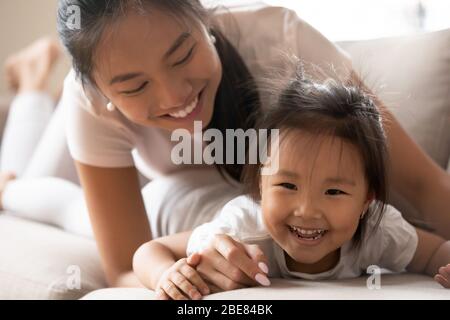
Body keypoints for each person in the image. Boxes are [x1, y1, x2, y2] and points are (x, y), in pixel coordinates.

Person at [133, 69, 450, 300]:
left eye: (334, 191)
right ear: (260, 184)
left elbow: (434, 250)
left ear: (367, 200)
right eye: (287, 185)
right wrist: (165, 274)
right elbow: (151, 250)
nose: (307, 210)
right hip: (171, 200)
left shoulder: (377, 231)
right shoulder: (242, 227)